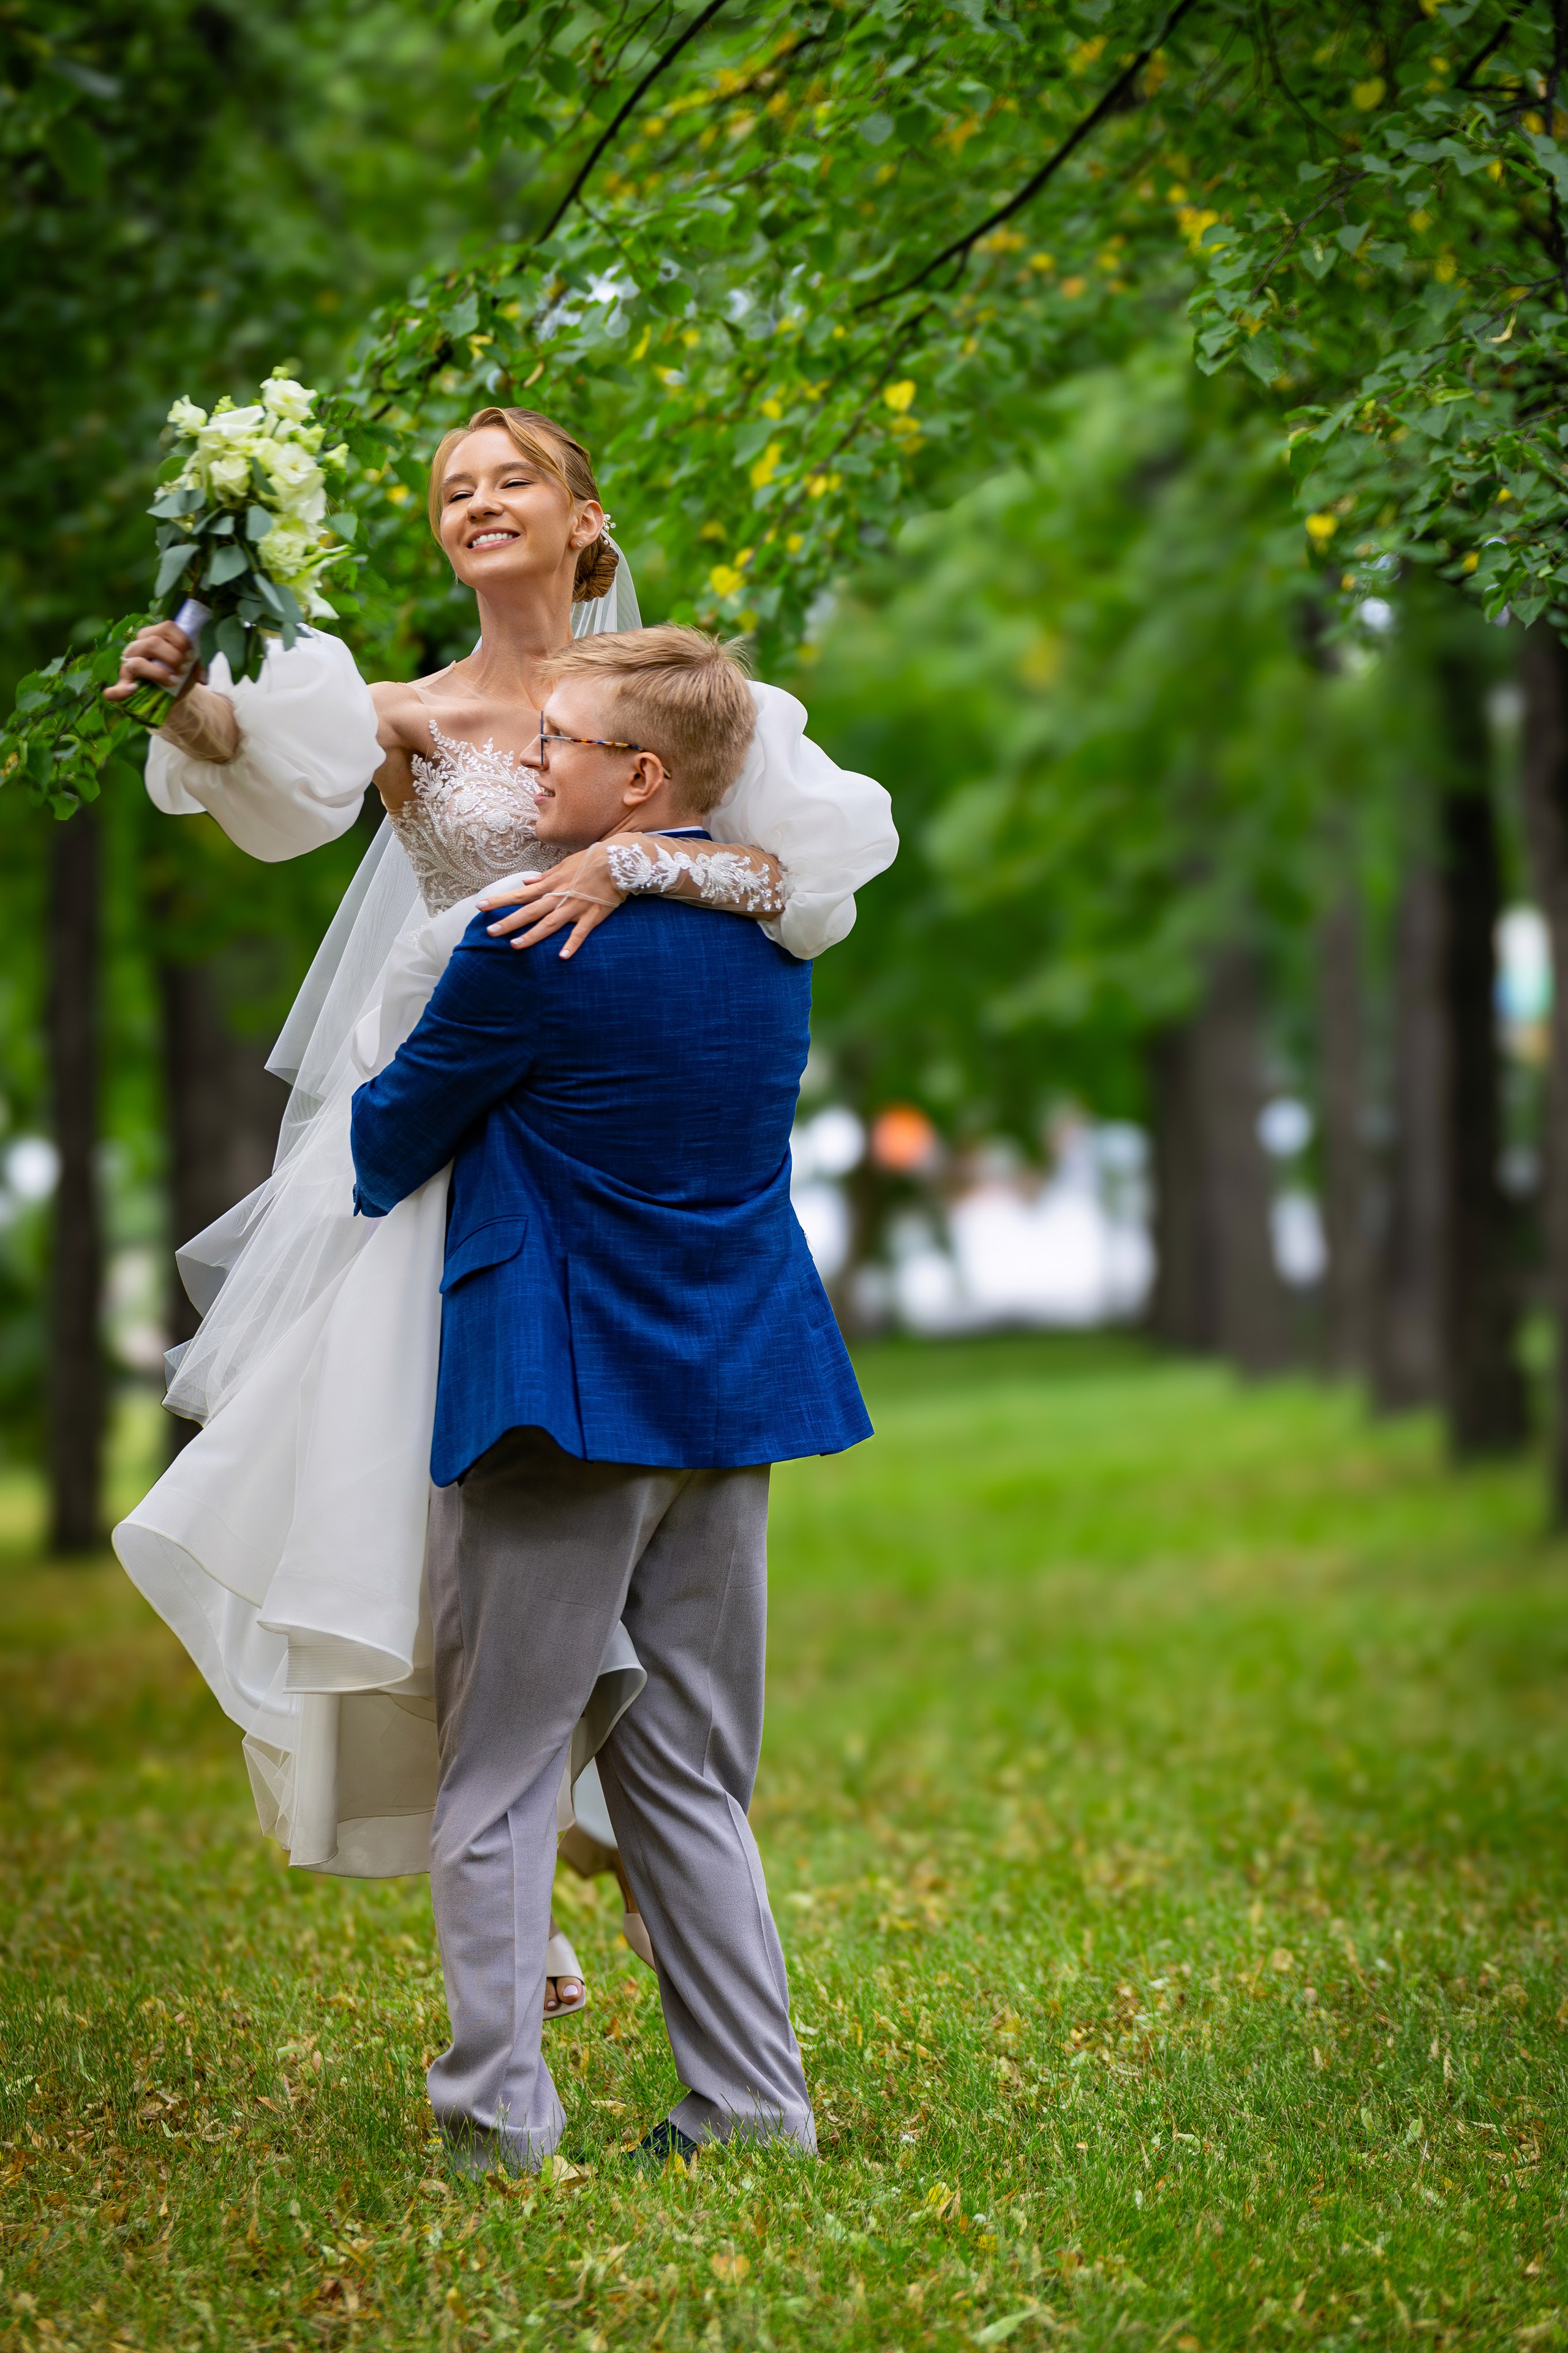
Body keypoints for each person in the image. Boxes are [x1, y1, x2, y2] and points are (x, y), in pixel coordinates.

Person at [108, 406, 896, 2020]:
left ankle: (655, 1895)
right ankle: (510, 1885)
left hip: (612, 1163)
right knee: (425, 1529)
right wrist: (197, 714)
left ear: (582, 515)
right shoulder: (396, 710)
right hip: (444, 1138)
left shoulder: (677, 708)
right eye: (451, 488)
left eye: (509, 478)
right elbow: (271, 786)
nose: (476, 502)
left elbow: (803, 884)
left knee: (617, 1553)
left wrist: (636, 872)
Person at [351, 622, 870, 2169]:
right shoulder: (769, 934)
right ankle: (753, 2103)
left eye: (558, 745)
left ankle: (498, 2118)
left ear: (641, 780)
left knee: (500, 1768)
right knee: (692, 1769)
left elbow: (388, 1143)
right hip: (730, 1386)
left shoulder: (521, 941)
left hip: (556, 1393)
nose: (529, 761)